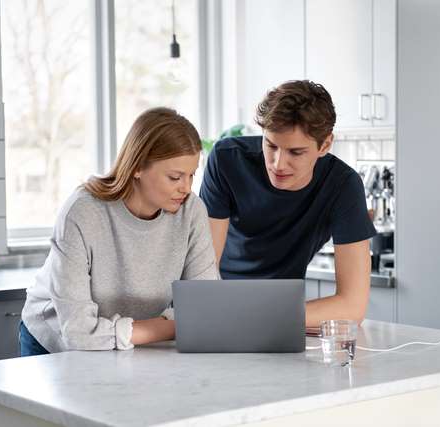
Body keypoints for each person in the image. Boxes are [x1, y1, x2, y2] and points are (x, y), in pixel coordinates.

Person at [19, 107, 218, 356]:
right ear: (137, 167)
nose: (186, 188)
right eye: (175, 177)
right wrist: (172, 327)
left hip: (135, 339)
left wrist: (157, 328)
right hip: (55, 341)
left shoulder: (191, 211)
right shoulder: (82, 212)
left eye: (191, 175)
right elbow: (78, 332)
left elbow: (204, 305)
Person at [200, 80, 376, 328]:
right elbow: (203, 270)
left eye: (295, 152)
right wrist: (216, 314)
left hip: (282, 315)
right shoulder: (226, 160)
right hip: (222, 309)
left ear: (325, 145)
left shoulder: (343, 185)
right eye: (270, 145)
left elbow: (352, 306)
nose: (278, 163)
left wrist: (258, 318)